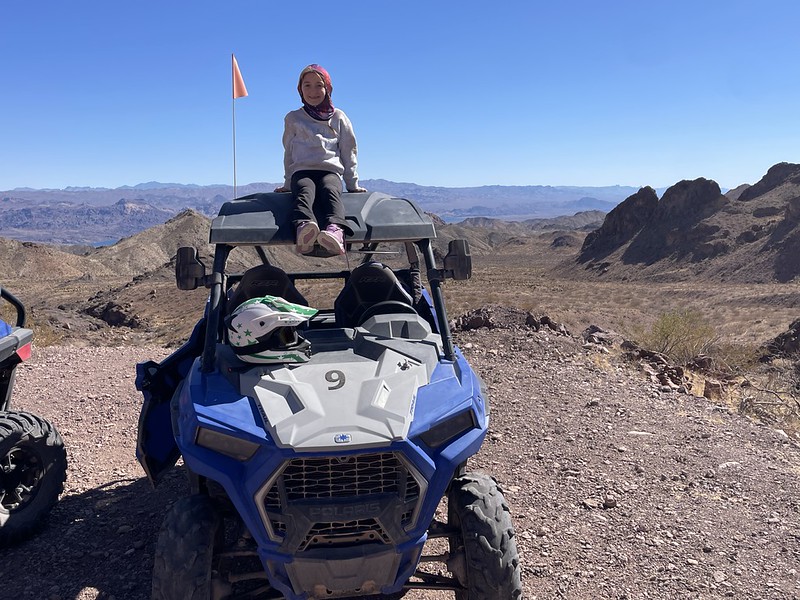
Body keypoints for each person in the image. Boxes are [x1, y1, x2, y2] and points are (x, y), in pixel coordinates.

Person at [275, 64, 367, 256]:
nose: (313, 91)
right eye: (307, 85)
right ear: (300, 89)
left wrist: (352, 184)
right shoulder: (293, 118)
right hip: (302, 171)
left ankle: (335, 230)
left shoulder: (339, 117)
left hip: (330, 171)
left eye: (319, 85)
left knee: (330, 190)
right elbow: (289, 152)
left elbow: (349, 150)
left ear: (328, 88)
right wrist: (288, 182)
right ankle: (304, 227)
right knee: (304, 190)